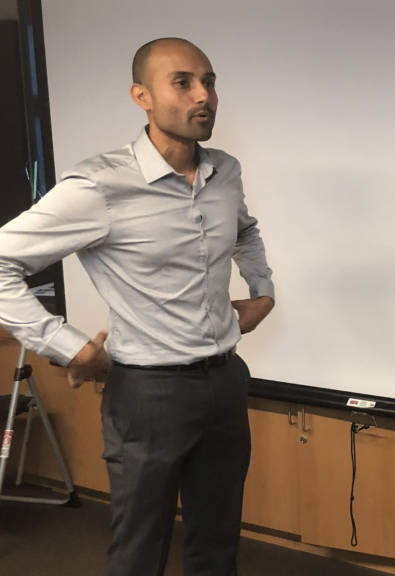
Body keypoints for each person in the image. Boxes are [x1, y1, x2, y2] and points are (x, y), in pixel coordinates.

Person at [0, 38, 274, 576]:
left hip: (225, 381)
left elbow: (245, 228)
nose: (204, 96)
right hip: (148, 393)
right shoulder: (100, 185)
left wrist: (261, 290)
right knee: (139, 550)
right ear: (141, 96)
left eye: (210, 81)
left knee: (217, 547)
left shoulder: (225, 172)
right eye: (184, 83)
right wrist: (68, 346)